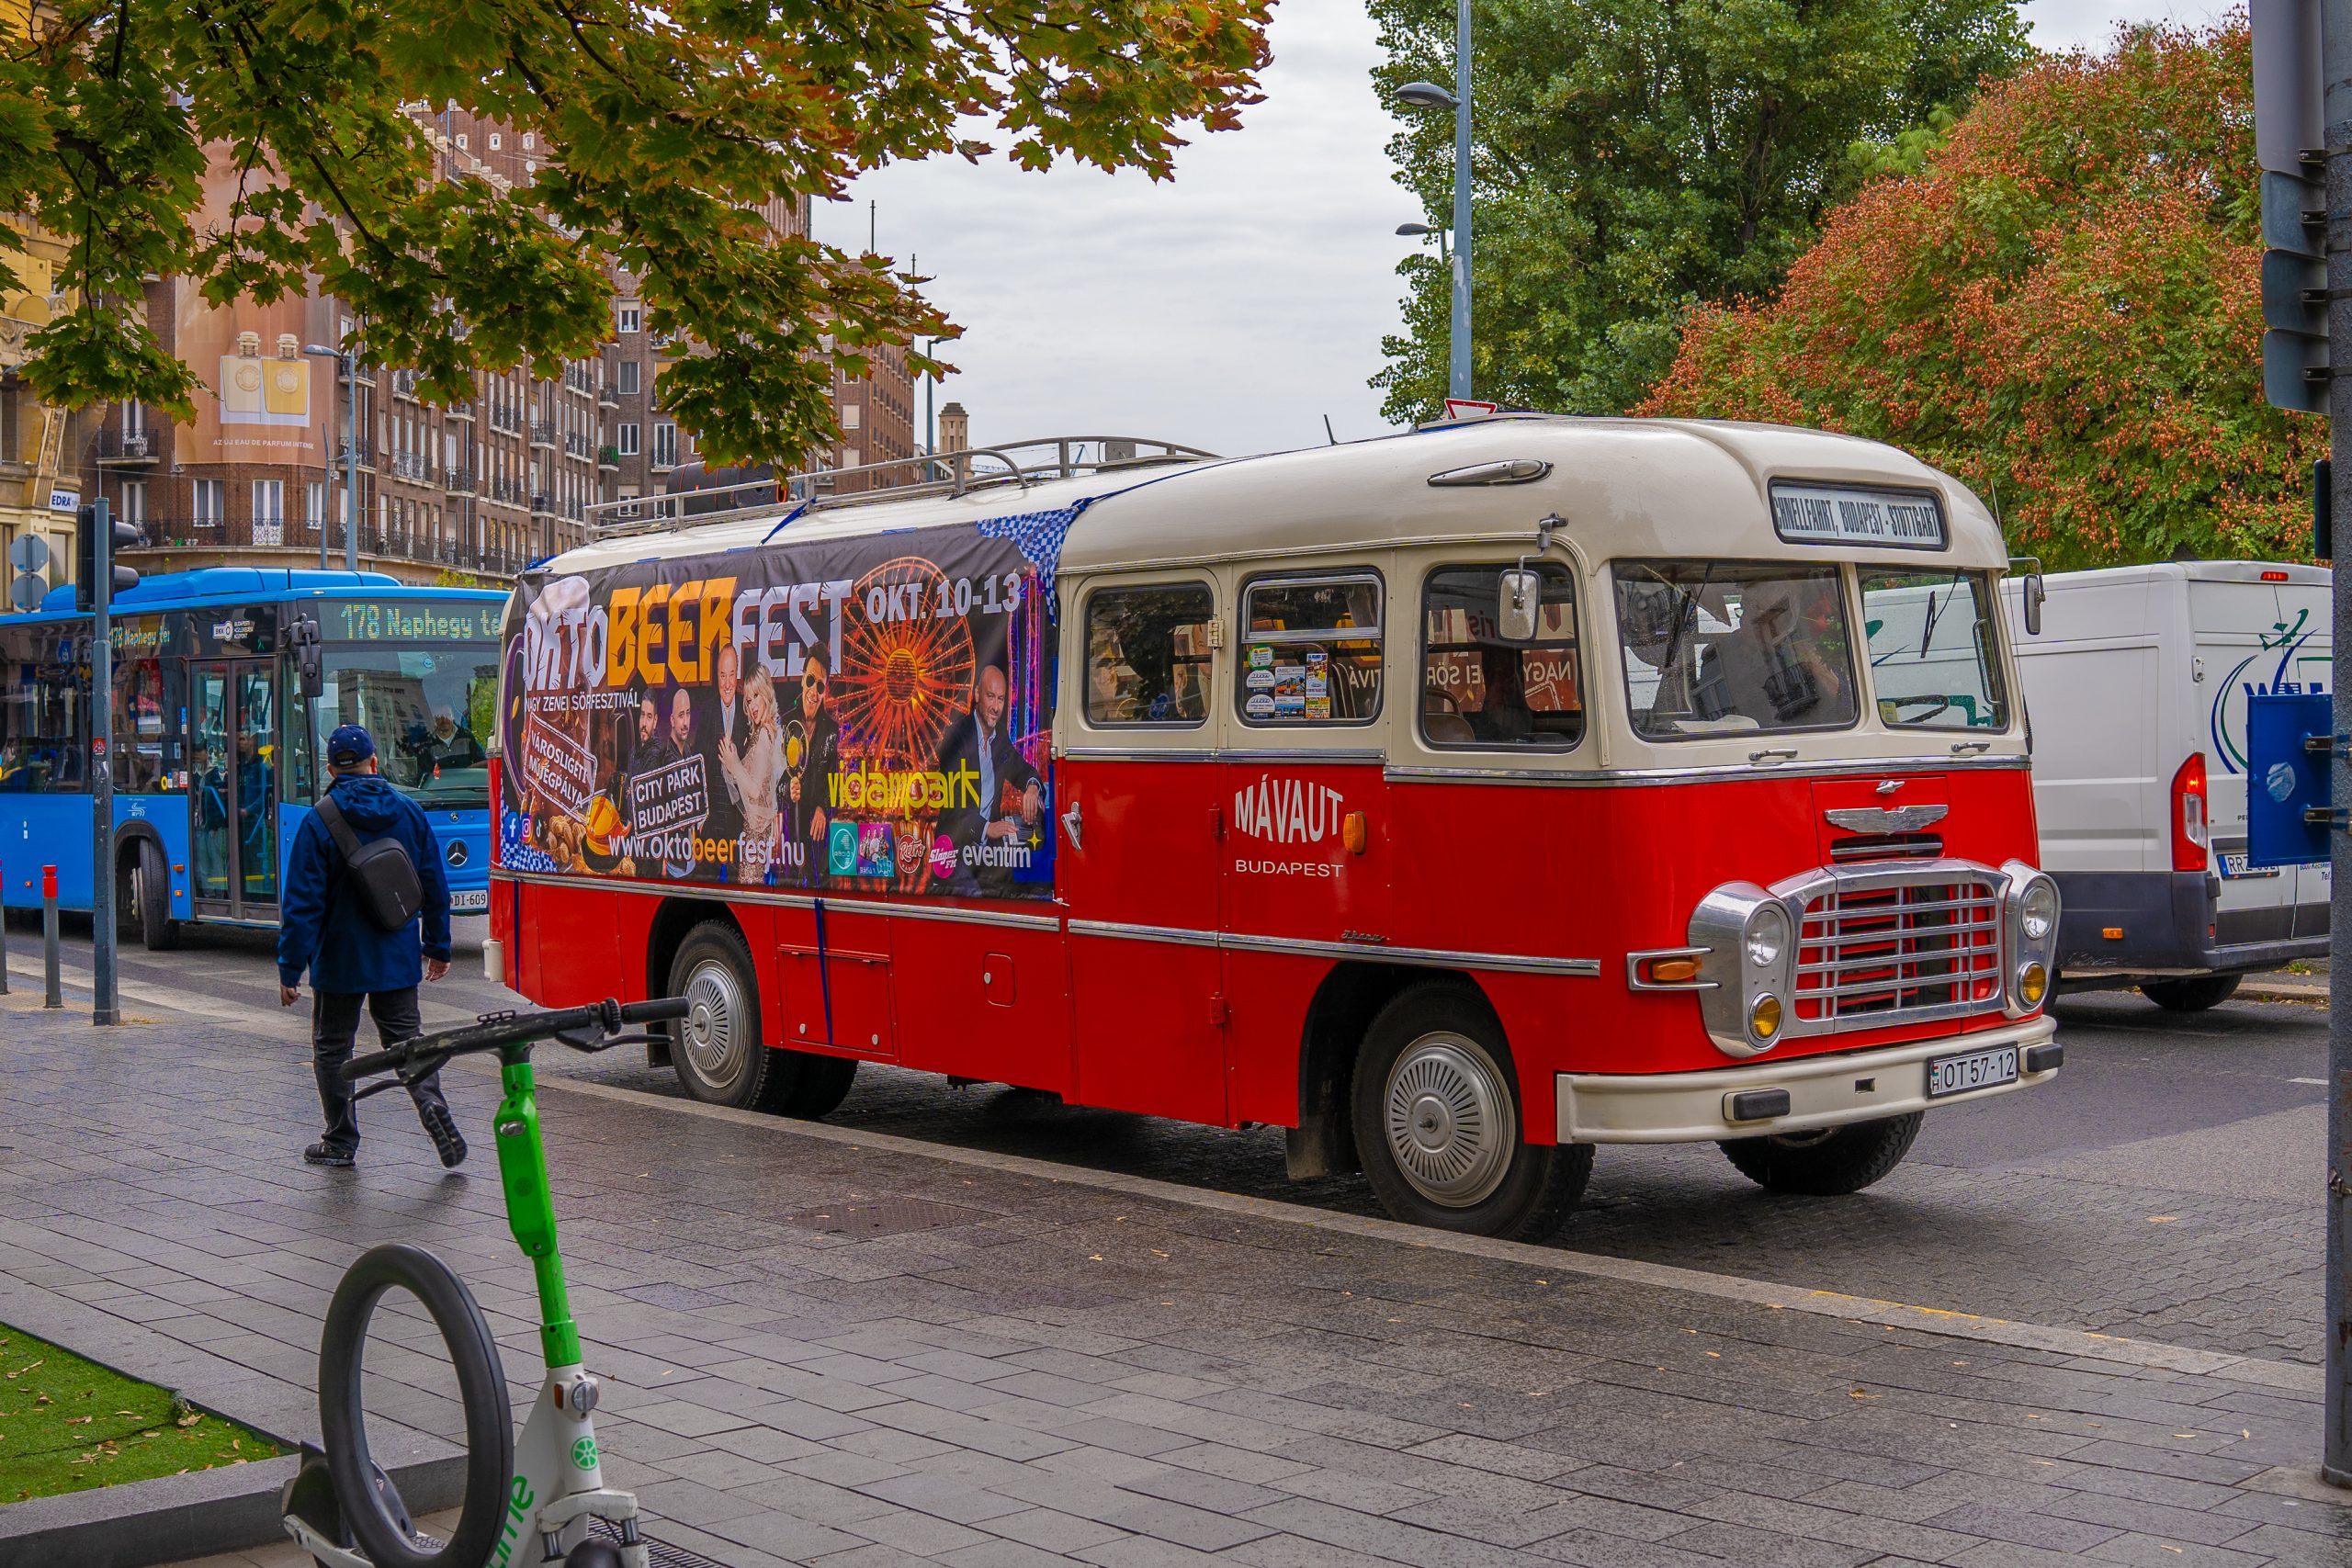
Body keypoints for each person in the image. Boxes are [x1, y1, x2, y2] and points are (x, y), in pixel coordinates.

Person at [277, 724, 462, 1170]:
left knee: (333, 1048)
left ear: (330, 769)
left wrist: (290, 969)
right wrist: (438, 945)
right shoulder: (409, 811)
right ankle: (431, 1104)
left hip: (339, 961)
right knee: (406, 1041)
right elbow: (435, 885)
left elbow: (303, 904)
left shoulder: (319, 819)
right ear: (374, 763)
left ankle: (340, 1140)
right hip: (396, 956)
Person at [932, 664, 1045, 897]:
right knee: (977, 898)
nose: (995, 707)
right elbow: (954, 806)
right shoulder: (956, 738)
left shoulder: (999, 736)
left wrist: (1032, 786)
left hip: (987, 854)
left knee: (1025, 893)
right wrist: (987, 828)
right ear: (976, 695)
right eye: (990, 696)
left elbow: (1021, 769)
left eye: (1001, 699)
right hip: (955, 849)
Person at [718, 667, 786, 877]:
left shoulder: (765, 733)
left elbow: (756, 791)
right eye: (748, 700)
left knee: (749, 885)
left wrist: (735, 764)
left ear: (766, 692)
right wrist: (734, 762)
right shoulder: (760, 732)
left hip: (757, 836)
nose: (752, 705)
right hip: (752, 835)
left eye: (756, 696)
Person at [786, 654, 841, 883]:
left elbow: (836, 784)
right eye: (810, 681)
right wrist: (788, 790)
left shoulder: (832, 730)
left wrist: (823, 806)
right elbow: (774, 781)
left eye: (820, 685)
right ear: (802, 680)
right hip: (789, 831)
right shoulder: (786, 723)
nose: (814, 691)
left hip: (818, 835)